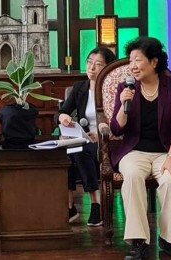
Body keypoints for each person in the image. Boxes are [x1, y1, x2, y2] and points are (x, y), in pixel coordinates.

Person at [110, 37, 171, 259]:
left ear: (154, 62)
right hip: (134, 151)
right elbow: (116, 129)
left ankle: (168, 238)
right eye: (131, 60)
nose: (133, 65)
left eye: (138, 60)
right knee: (133, 176)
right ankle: (138, 241)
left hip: (166, 151)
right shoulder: (125, 88)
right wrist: (124, 106)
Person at [55, 47, 116, 226]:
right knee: (66, 151)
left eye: (98, 65)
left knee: (79, 150)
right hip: (85, 137)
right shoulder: (79, 87)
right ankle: (69, 205)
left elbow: (121, 122)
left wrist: (99, 135)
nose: (92, 68)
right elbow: (61, 111)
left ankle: (96, 203)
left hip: (107, 139)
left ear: (107, 68)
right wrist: (62, 117)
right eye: (89, 62)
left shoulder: (112, 90)